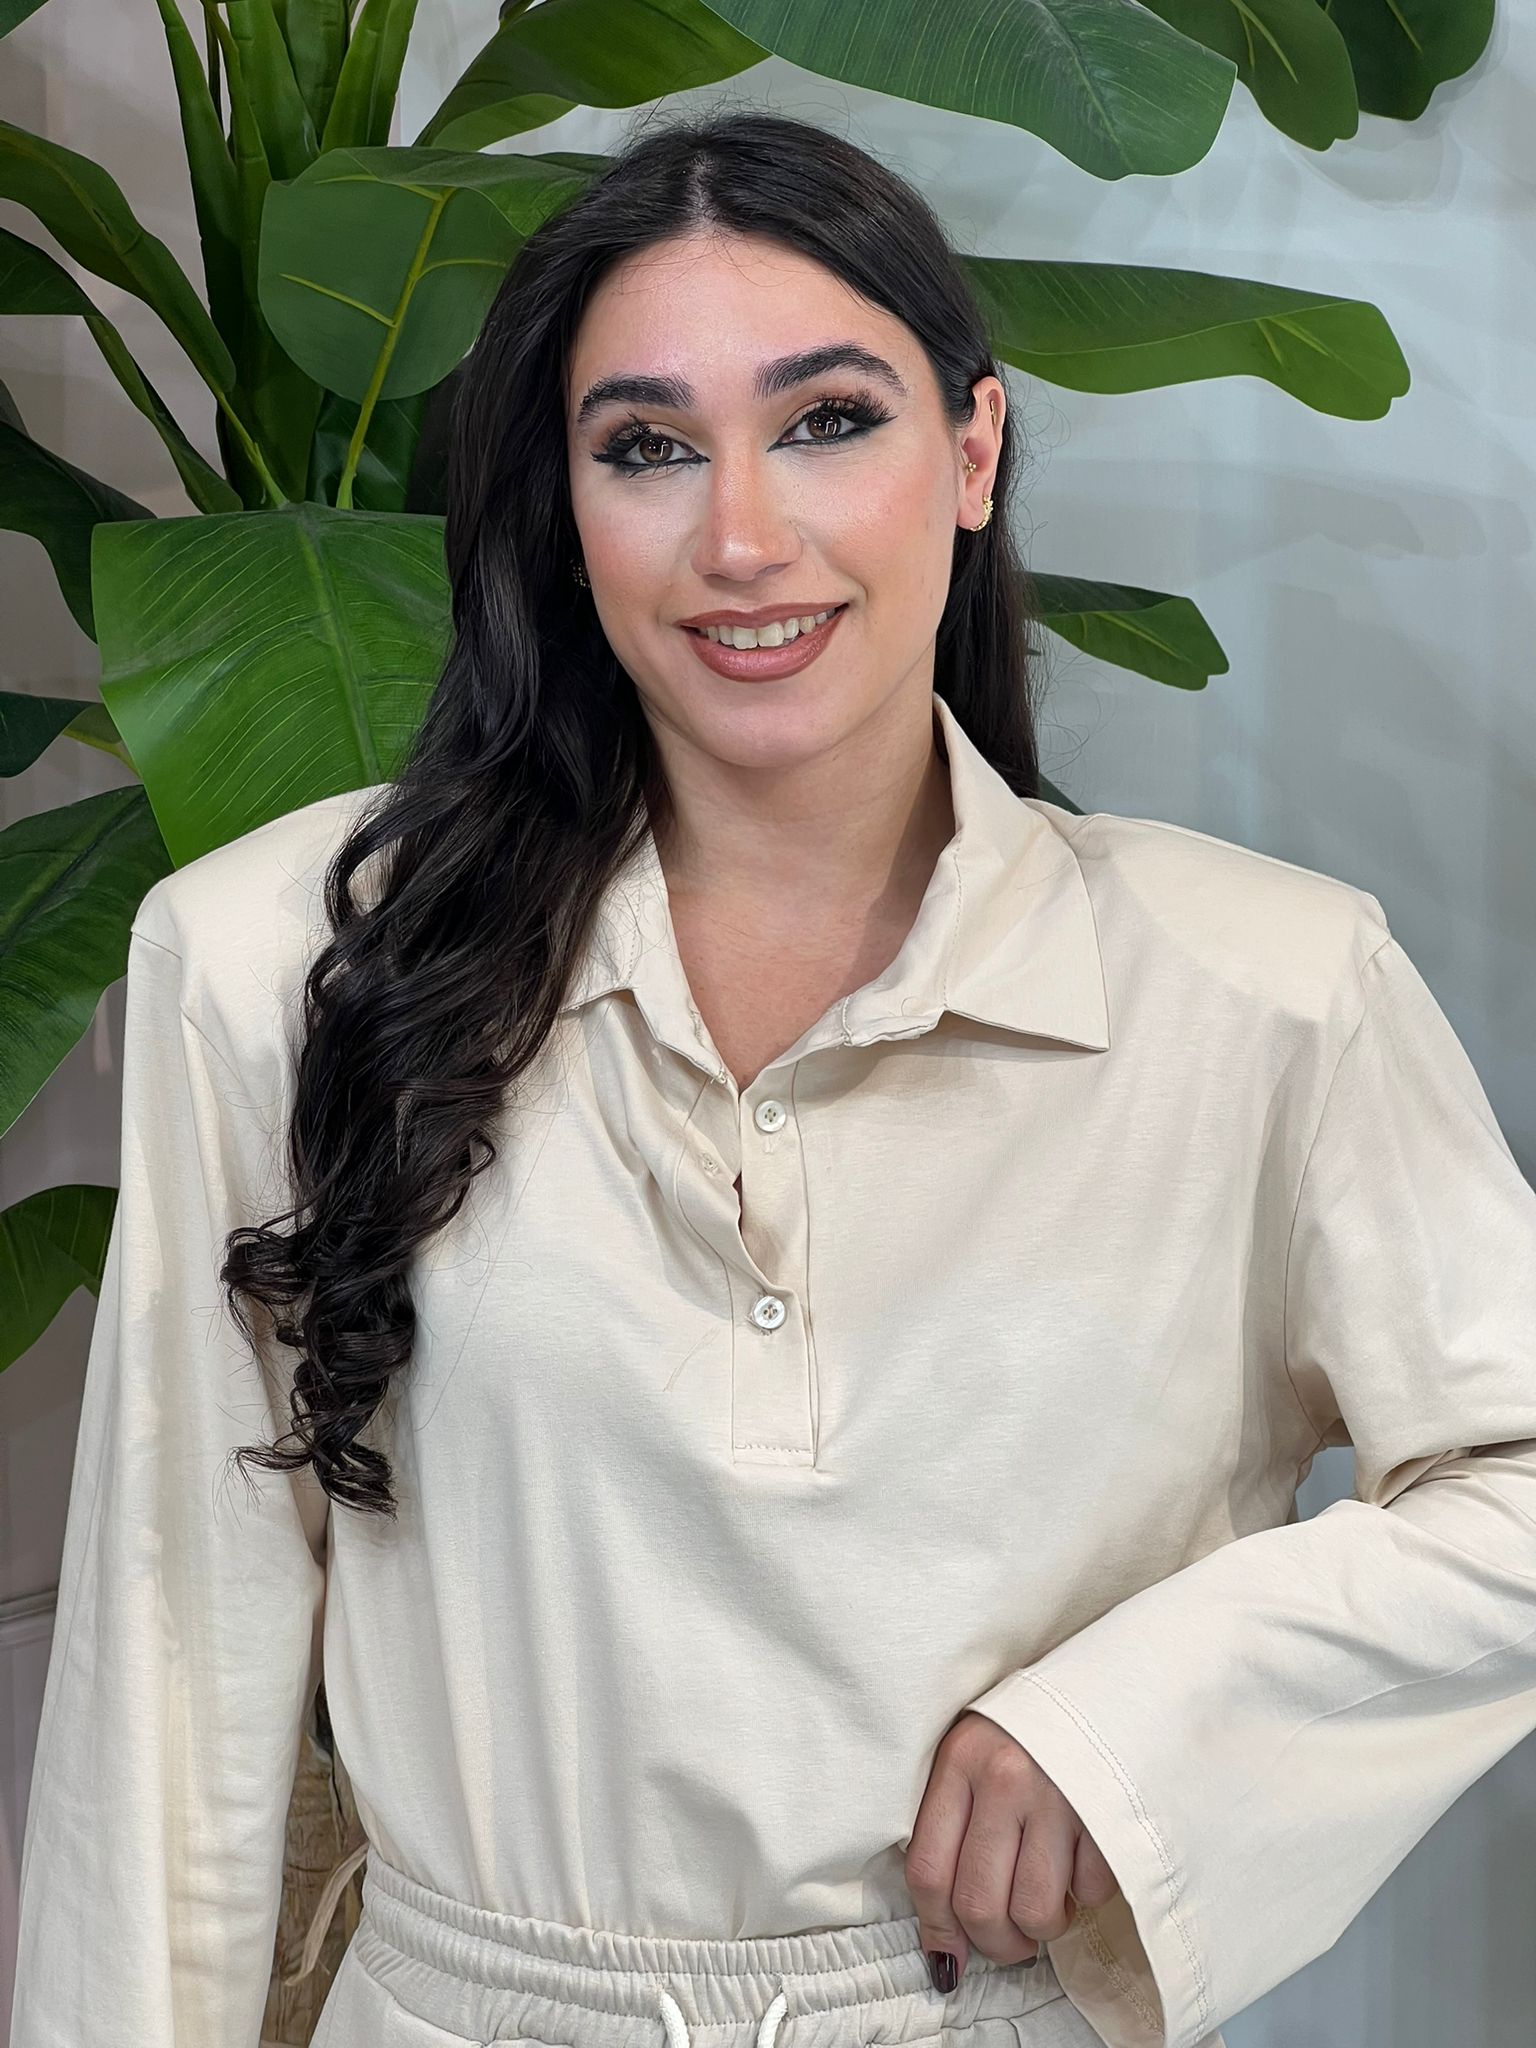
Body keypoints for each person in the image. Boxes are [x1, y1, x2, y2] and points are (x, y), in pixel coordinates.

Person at [10, 104, 1536, 2048]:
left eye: (827, 420)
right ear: (563, 508)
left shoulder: (1270, 993)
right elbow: (170, 1686)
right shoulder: (281, 967)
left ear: (972, 452)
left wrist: (1131, 1734)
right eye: (646, 447)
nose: (741, 537)